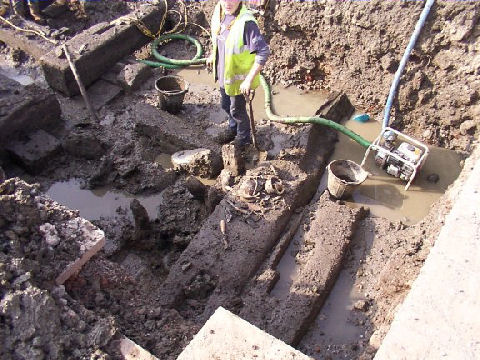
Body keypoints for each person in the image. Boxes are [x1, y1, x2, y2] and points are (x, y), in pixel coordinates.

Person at [207, 0, 269, 149]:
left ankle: (243, 138)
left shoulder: (246, 23)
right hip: (224, 75)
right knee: (225, 105)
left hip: (238, 81)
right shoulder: (220, 12)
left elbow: (263, 52)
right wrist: (212, 55)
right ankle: (232, 128)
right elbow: (218, 38)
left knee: (237, 110)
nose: (228, 3)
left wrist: (248, 80)